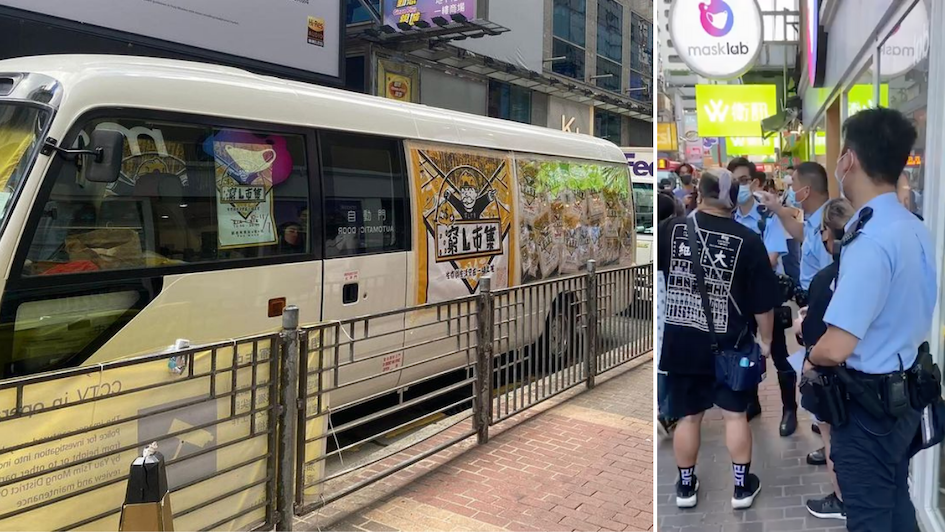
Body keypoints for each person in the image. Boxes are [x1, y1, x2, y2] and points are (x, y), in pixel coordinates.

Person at [803, 107, 935, 531]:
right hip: (904, 399)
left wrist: (810, 357)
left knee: (869, 517)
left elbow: (838, 346)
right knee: (896, 503)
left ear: (849, 160)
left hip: (868, 411)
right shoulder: (913, 226)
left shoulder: (870, 237)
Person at [659, 169, 778, 510]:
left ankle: (685, 488)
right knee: (735, 416)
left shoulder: (671, 231)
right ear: (734, 197)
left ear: (699, 191)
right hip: (731, 344)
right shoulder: (749, 240)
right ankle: (741, 488)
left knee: (689, 417)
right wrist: (766, 342)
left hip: (682, 341)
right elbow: (763, 304)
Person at [759, 161, 833, 450]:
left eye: (793, 185)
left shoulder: (830, 220)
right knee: (815, 369)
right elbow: (801, 233)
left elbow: (832, 274)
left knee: (823, 372)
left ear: (807, 189)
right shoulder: (816, 218)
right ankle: (825, 434)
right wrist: (777, 207)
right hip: (814, 306)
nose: (791, 190)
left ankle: (830, 442)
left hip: (824, 309)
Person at [792, 198, 855, 520]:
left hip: (832, 379)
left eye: (823, 231)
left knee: (833, 439)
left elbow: (813, 337)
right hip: (871, 381)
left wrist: (803, 326)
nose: (823, 238)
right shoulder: (872, 273)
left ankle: (842, 499)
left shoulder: (825, 279)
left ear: (831, 235)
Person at [729, 158, 797, 437]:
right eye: (734, 182)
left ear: (755, 183)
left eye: (744, 180)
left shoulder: (767, 216)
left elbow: (770, 259)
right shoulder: (729, 216)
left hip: (768, 299)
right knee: (746, 353)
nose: (739, 187)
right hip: (740, 301)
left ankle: (790, 409)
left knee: (780, 355)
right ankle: (752, 403)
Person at [657, 191, 678, 437]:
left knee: (664, 360)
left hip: (663, 306)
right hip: (669, 301)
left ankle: (666, 410)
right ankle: (668, 411)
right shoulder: (674, 236)